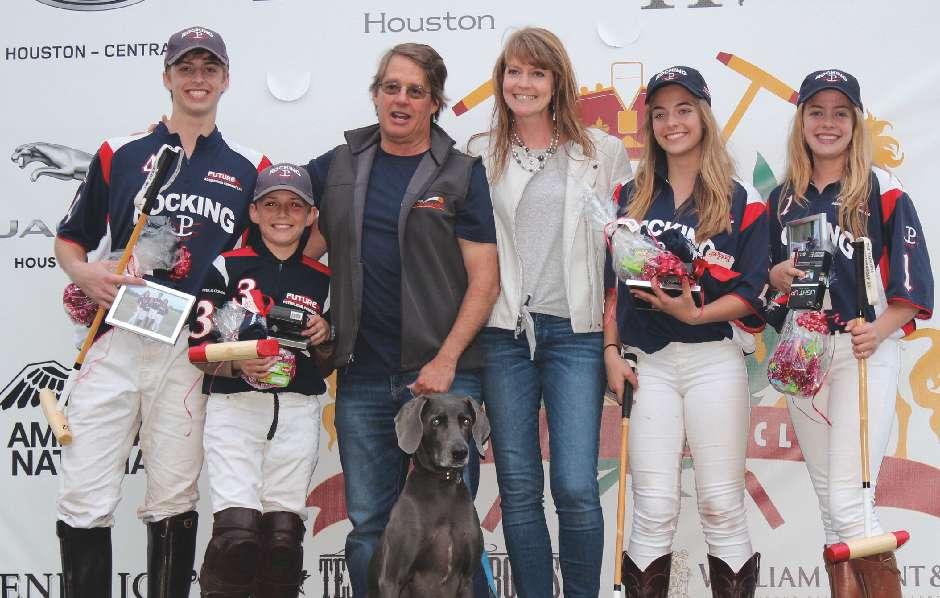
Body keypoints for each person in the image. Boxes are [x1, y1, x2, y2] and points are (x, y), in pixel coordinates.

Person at [53, 26, 270, 597]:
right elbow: (70, 239)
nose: (198, 79)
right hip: (116, 338)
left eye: (209, 68)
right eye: (186, 68)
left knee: (174, 495)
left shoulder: (251, 165)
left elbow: (267, 255)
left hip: (187, 351)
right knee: (84, 492)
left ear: (226, 79)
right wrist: (85, 274)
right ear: (166, 77)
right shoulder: (119, 152)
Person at [305, 43, 499, 596]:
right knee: (369, 526)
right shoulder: (336, 166)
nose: (401, 100)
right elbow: (289, 234)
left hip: (440, 377)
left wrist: (446, 359)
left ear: (435, 103)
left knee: (452, 534)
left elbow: (485, 280)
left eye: (416, 91)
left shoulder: (462, 173)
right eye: (391, 87)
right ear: (375, 94)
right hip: (362, 375)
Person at [465, 27, 631, 597]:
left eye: (537, 72)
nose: (524, 83)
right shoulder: (477, 151)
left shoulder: (602, 152)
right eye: (514, 71)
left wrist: (612, 340)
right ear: (501, 79)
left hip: (576, 335)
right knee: (518, 488)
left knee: (576, 486)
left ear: (558, 81)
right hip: (503, 335)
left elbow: (623, 258)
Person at [767, 69, 933, 597]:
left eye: (841, 113)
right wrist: (776, 277)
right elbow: (768, 293)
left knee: (849, 503)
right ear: (801, 121)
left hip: (863, 351)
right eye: (816, 112)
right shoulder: (783, 199)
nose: (828, 123)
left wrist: (880, 331)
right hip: (806, 353)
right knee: (831, 506)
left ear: (856, 122)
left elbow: (913, 284)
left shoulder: (882, 187)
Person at [603, 66, 766, 597]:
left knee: (721, 504)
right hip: (647, 364)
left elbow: (754, 290)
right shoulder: (629, 194)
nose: (671, 122)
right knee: (653, 507)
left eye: (684, 109)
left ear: (705, 116)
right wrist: (610, 350)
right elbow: (609, 286)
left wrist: (695, 314)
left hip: (713, 361)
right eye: (659, 113)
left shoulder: (741, 198)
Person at [190, 163, 333, 597]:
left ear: (311, 216)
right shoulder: (226, 266)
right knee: (237, 538)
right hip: (235, 409)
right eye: (271, 204)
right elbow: (198, 349)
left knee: (283, 543)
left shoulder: (323, 279)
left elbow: (329, 361)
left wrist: (325, 333)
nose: (282, 214)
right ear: (253, 212)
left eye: (295, 205)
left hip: (296, 412)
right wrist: (239, 365)